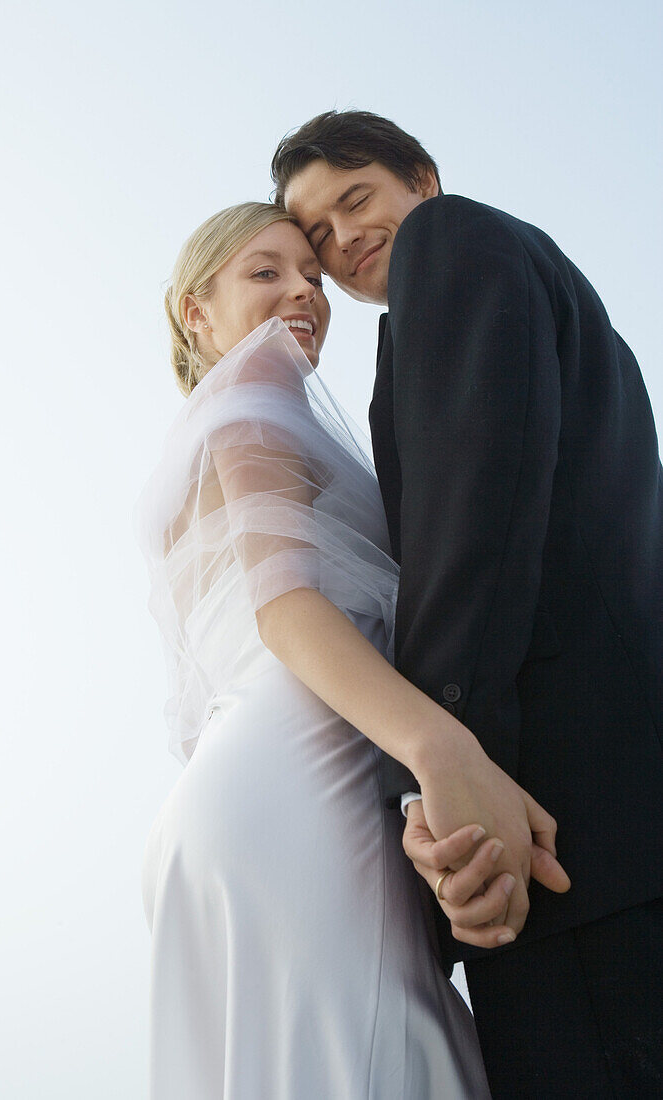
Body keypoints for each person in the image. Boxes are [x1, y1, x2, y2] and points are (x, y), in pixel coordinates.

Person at [272, 109, 663, 1097]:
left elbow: (472, 525)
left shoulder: (455, 242)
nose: (343, 238)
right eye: (316, 234)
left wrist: (453, 794)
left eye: (355, 199)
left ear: (422, 178)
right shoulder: (546, 291)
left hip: (555, 831)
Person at [137, 201, 504, 1097]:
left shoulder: (202, 437)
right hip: (306, 782)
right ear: (198, 311)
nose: (304, 290)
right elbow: (287, 611)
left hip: (235, 795)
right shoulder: (255, 394)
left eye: (310, 275)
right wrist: (443, 747)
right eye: (264, 273)